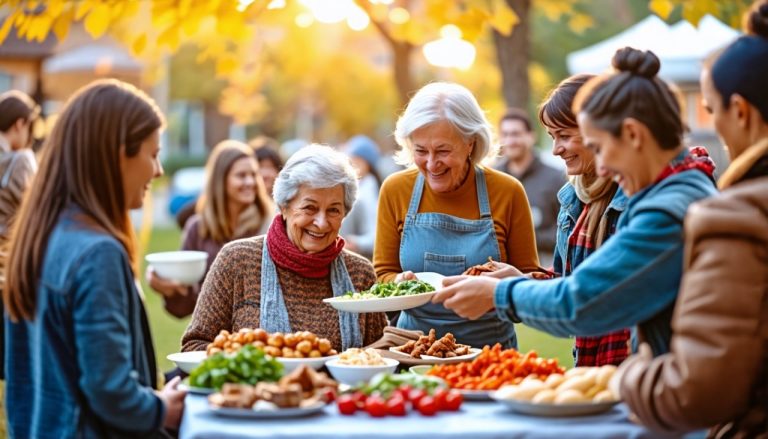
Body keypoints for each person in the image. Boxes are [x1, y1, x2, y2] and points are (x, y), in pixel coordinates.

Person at [433, 47, 717, 357]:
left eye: (601, 147)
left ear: (633, 135)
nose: (603, 167)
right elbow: (578, 285)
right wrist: (520, 282)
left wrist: (499, 294)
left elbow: (584, 301)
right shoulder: (665, 191)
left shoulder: (667, 208)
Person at [617, 3, 768, 436]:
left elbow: (694, 392)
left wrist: (628, 374)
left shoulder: (738, 216)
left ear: (740, 112)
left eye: (711, 109)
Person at [3, 79, 185, 438]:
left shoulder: (38, 238)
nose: (158, 170)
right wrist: (161, 408)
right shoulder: (97, 254)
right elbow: (111, 390)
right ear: (119, 154)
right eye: (153, 153)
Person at [374, 82, 540, 349]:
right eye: (420, 150)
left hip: (490, 355)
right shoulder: (395, 190)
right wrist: (400, 282)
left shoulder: (508, 192)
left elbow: (530, 284)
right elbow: (382, 272)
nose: (430, 163)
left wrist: (509, 284)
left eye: (442, 150)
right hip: (413, 350)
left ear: (470, 144)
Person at [182, 144, 386, 353]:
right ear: (284, 206)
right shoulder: (237, 260)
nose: (322, 223)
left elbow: (381, 354)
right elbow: (195, 345)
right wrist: (247, 366)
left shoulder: (360, 274)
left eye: (333, 210)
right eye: (310, 207)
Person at [538, 74, 631, 367]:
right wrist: (516, 279)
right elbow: (567, 282)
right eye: (552, 138)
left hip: (633, 363)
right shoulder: (573, 196)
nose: (556, 150)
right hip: (590, 364)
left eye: (564, 136)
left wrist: (505, 293)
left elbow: (598, 294)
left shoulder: (635, 193)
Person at [149, 140, 274, 318]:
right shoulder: (197, 228)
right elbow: (184, 308)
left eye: (253, 174)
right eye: (241, 175)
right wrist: (170, 288)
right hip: (214, 339)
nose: (250, 182)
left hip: (261, 336)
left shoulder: (269, 224)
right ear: (221, 180)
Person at [0, 90, 40, 380]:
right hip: (9, 275)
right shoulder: (21, 161)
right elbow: (39, 214)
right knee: (20, 369)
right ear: (19, 124)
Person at [495, 108, 566, 258]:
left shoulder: (556, 177)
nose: (510, 141)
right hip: (500, 264)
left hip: (545, 264)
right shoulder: (492, 177)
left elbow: (567, 228)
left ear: (531, 136)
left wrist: (523, 238)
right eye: (505, 135)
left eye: (516, 134)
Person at [340, 135, 381, 260]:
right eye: (350, 160)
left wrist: (356, 242)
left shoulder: (368, 191)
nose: (353, 165)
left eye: (357, 160)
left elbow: (376, 235)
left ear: (368, 163)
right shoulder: (356, 185)